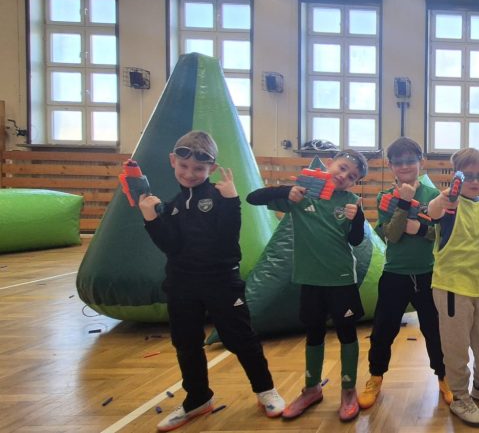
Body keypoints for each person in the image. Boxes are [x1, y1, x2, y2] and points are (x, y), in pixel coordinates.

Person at [139, 130, 284, 432]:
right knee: (186, 342)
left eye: (199, 168)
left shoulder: (219, 196)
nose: (190, 173)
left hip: (221, 281)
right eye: (184, 166)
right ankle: (198, 398)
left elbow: (228, 240)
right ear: (173, 161)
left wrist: (232, 201)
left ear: (212, 168)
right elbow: (171, 246)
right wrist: (151, 219)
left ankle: (265, 389)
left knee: (240, 338)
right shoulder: (172, 205)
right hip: (182, 284)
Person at [246, 149, 369, 422]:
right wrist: (287, 190)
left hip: (341, 281)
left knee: (347, 334)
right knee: (314, 334)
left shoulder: (350, 202)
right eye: (342, 168)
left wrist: (357, 218)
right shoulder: (302, 193)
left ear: (354, 183)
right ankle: (312, 389)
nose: (344, 176)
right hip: (310, 280)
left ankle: (349, 390)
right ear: (330, 163)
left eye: (352, 176)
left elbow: (356, 240)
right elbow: (253, 198)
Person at [359, 137, 452, 409]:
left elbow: (441, 233)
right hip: (395, 274)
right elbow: (392, 234)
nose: (404, 166)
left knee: (435, 330)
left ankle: (444, 376)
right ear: (390, 165)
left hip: (428, 274)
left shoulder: (433, 195)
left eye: (410, 161)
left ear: (421, 162)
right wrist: (404, 203)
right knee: (383, 330)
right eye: (398, 162)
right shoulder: (384, 197)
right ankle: (376, 377)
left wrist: (421, 229)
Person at [426, 148, 479, 426]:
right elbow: (433, 212)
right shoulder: (450, 202)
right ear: (457, 176)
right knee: (456, 347)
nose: (475, 181)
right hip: (452, 287)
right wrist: (443, 197)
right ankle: (460, 397)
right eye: (468, 176)